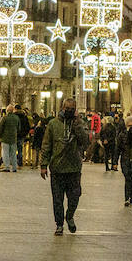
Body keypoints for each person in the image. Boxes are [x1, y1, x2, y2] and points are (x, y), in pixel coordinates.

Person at [39, 98, 89, 235]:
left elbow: (85, 142)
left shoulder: (79, 123)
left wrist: (77, 126)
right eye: (67, 109)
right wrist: (43, 165)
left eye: (72, 109)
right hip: (57, 167)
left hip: (74, 167)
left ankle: (70, 216)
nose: (69, 111)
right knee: (57, 199)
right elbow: (46, 145)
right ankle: (59, 224)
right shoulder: (53, 124)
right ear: (62, 108)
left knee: (75, 196)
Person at [0, 103, 19, 172]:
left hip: (5, 138)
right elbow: (19, 128)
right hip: (13, 138)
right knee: (13, 153)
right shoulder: (16, 118)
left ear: (7, 110)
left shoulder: (4, 118)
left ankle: (7, 167)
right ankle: (14, 167)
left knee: (5, 153)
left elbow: (0, 128)